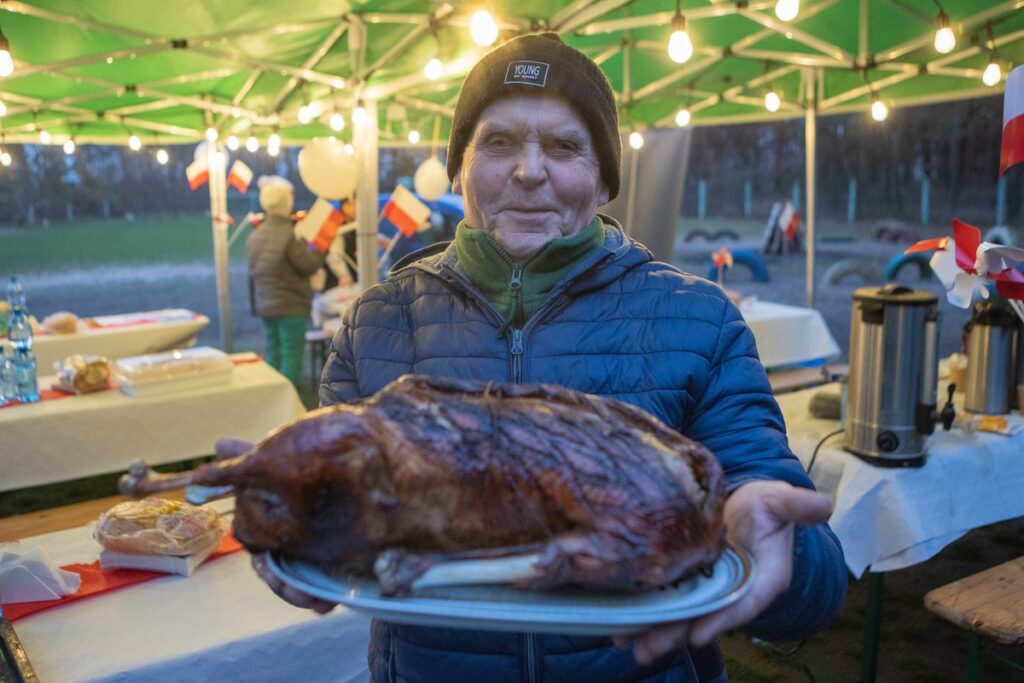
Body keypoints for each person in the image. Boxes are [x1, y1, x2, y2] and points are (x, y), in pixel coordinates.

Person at [252, 32, 847, 682]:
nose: (529, 170)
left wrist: (779, 549)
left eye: (564, 147)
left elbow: (809, 580)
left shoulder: (700, 320)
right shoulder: (375, 323)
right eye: (499, 142)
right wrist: (291, 526)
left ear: (602, 181)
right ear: (460, 168)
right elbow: (327, 503)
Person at [246, 175, 325, 387]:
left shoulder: (254, 236)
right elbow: (308, 265)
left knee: (274, 355)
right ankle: (288, 405)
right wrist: (320, 248)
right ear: (286, 202)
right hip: (291, 307)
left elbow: (252, 274)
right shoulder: (288, 235)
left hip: (265, 305)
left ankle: (273, 402)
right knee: (291, 358)